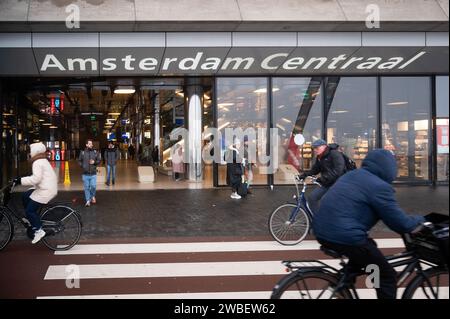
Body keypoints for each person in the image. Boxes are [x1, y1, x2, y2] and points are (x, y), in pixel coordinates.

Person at [312, 149, 425, 299]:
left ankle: (346, 280)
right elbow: (400, 223)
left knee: (368, 250)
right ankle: (373, 282)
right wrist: (420, 220)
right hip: (344, 235)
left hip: (321, 229)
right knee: (388, 277)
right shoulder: (379, 187)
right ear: (388, 169)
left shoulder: (352, 175)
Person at [13, 142, 58, 244]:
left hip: (46, 190)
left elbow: (35, 179)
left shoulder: (38, 162)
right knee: (25, 195)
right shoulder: (42, 160)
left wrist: (20, 181)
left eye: (31, 151)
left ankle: (38, 230)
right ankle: (31, 219)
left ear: (35, 151)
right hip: (46, 187)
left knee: (30, 211)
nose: (30, 153)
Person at [298, 139, 346, 214]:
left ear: (324, 146)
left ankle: (329, 220)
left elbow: (338, 170)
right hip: (327, 183)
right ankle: (318, 219)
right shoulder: (320, 157)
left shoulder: (334, 154)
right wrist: (303, 175)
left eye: (317, 148)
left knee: (328, 202)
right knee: (312, 198)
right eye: (314, 149)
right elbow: (315, 170)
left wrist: (323, 178)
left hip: (338, 183)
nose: (315, 150)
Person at [78, 139, 101, 207]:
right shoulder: (82, 152)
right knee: (86, 188)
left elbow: (99, 160)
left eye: (92, 144)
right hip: (85, 174)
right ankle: (88, 200)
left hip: (93, 173)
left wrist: (95, 162)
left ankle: (92, 196)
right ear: (86, 145)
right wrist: (83, 165)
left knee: (93, 186)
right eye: (90, 144)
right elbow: (79, 160)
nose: (91, 145)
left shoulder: (95, 152)